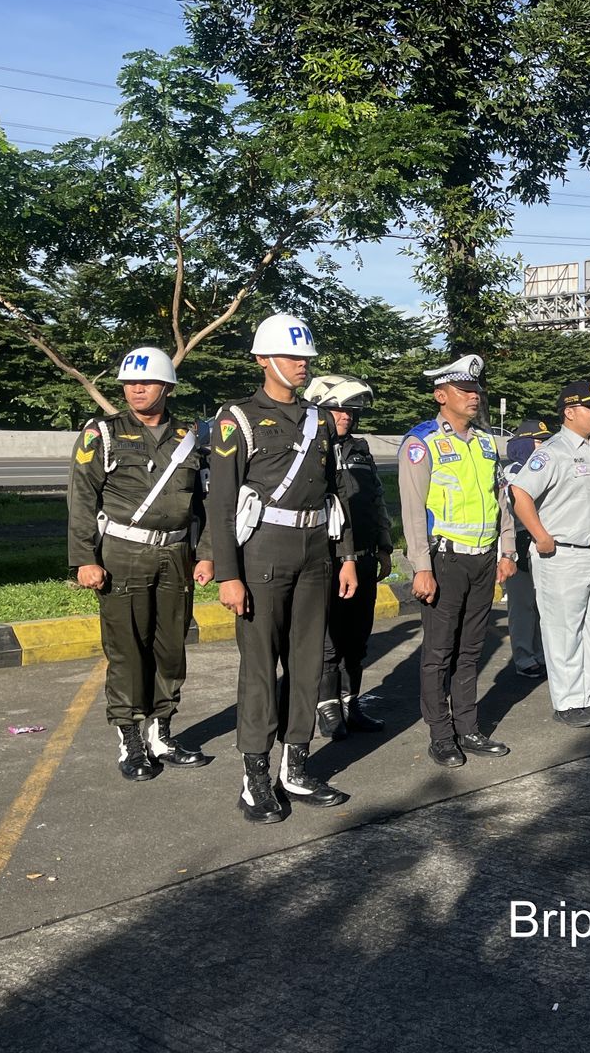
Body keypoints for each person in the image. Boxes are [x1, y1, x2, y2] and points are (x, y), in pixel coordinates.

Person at [208, 314, 358, 823]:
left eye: (306, 359)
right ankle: (255, 779)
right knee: (259, 669)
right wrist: (228, 573)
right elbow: (222, 502)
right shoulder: (238, 418)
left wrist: (347, 556)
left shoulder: (318, 419)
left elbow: (336, 493)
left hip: (316, 551)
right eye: (294, 357)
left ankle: (296, 766)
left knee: (307, 663)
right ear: (262, 360)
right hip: (263, 553)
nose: (302, 365)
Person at [66, 345, 215, 781]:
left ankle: (162, 733)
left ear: (167, 387)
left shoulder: (193, 435)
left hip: (176, 553)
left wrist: (205, 554)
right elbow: (81, 498)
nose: (136, 390)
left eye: (145, 383)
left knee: (171, 648)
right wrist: (83, 559)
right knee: (127, 649)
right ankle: (130, 739)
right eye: (130, 383)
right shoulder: (103, 433)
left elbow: (206, 501)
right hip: (122, 553)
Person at [398, 354, 516, 767]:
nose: (474, 397)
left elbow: (501, 499)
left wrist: (507, 550)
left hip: (484, 560)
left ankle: (468, 726)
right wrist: (422, 567)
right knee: (439, 652)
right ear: (440, 394)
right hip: (444, 560)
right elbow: (412, 511)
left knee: (471, 649)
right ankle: (441, 733)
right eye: (465, 390)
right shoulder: (421, 442)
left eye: (476, 390)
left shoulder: (486, 442)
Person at [509, 380, 590, 727]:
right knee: (564, 632)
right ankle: (567, 702)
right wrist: (541, 536)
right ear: (570, 412)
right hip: (563, 555)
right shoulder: (551, 451)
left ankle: (586, 698)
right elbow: (520, 492)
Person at [304, 374, 392, 741]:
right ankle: (327, 709)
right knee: (328, 640)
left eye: (350, 410)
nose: (346, 416)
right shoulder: (308, 451)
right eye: (338, 409)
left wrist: (385, 545)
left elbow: (376, 500)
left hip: (365, 556)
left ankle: (350, 703)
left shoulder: (360, 449)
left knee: (357, 639)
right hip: (327, 561)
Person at [503, 416, 553, 680]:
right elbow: (513, 509)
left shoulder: (543, 467)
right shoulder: (513, 472)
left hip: (541, 540)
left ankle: (541, 652)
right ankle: (524, 656)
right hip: (520, 540)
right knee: (522, 604)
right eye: (538, 441)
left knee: (541, 602)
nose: (543, 446)